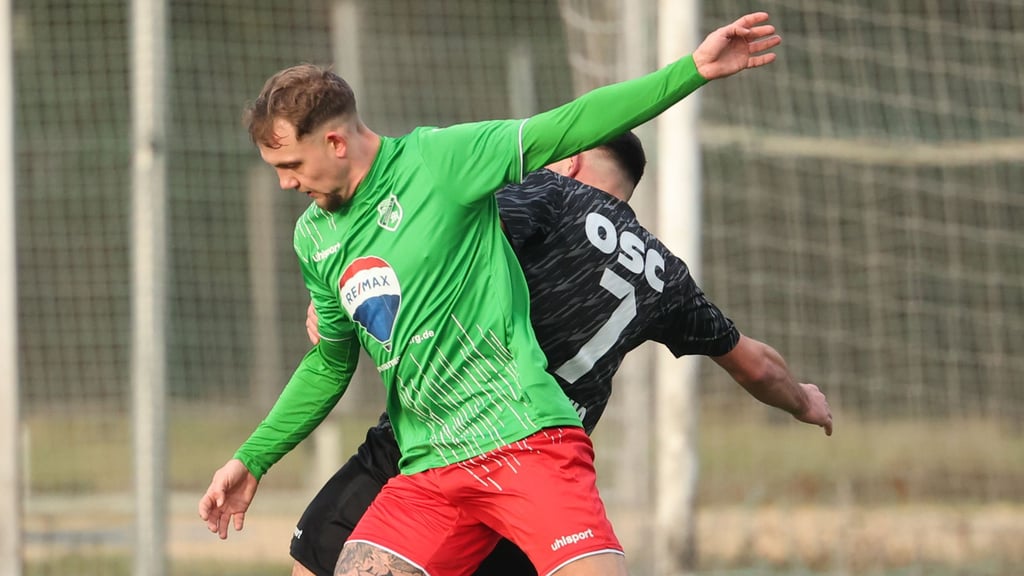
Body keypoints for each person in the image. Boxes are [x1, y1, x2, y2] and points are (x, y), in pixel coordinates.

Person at [199, 12, 788, 576]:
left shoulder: (441, 161)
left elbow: (572, 121)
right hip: (429, 463)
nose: (284, 182)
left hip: (526, 437)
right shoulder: (314, 237)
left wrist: (692, 69)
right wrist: (252, 459)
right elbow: (329, 365)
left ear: (334, 142)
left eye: (291, 164)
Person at [291, 131, 832, 576]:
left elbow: (429, 239)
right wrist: (803, 401)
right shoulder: (667, 275)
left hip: (441, 433)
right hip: (541, 469)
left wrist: (341, 293)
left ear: (569, 158)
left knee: (317, 562)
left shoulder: (549, 193)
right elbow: (755, 364)